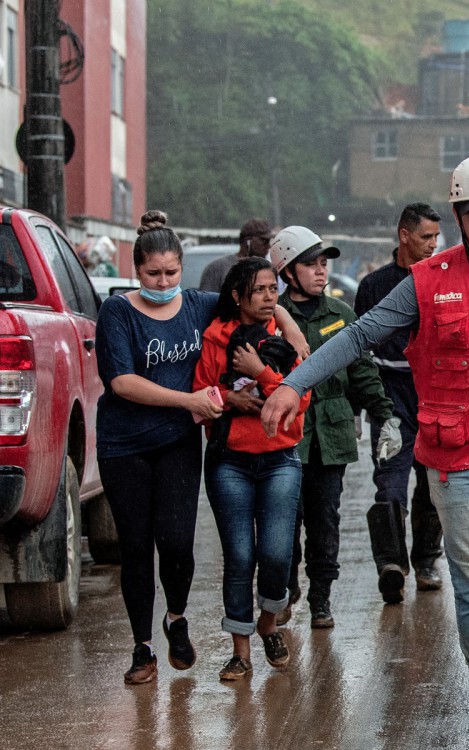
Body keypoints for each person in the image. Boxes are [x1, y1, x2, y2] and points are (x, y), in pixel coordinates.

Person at [260, 154, 469, 750]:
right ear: (459, 216)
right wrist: (294, 382)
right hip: (457, 456)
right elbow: (360, 334)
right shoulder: (428, 280)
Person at [94, 210, 304, 685]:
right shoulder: (118, 311)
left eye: (171, 272)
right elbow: (122, 381)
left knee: (176, 544)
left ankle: (176, 617)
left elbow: (252, 295)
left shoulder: (195, 304)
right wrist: (189, 400)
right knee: (135, 548)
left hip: (177, 444)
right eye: (153, 274)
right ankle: (142, 648)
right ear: (137, 269)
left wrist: (290, 328)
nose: (163, 281)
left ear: (181, 268)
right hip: (124, 445)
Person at [272, 226, 398, 629]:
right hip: (286, 438)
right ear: (287, 271)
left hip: (331, 435)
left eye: (324, 264)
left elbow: (362, 372)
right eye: (311, 265)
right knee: (286, 522)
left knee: (325, 519)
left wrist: (385, 413)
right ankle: (286, 585)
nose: (321, 272)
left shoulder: (342, 316)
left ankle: (321, 599)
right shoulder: (272, 319)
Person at [194, 256, 309, 680]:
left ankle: (268, 623)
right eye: (258, 290)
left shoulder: (287, 340)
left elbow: (301, 402)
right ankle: (240, 651)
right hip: (229, 462)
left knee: (277, 554)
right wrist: (231, 400)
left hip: (280, 459)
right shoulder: (215, 337)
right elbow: (201, 397)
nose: (267, 297)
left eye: (272, 290)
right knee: (239, 555)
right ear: (238, 296)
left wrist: (260, 373)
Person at [356, 203, 446, 602]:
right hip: (391, 398)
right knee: (390, 480)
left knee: (433, 481)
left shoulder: (442, 279)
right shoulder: (374, 285)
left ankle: (427, 559)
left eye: (436, 239)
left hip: (435, 395)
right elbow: (357, 349)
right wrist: (364, 404)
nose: (432, 245)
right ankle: (390, 565)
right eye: (426, 237)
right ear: (404, 235)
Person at [198, 218, 274, 292]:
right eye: (264, 241)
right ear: (248, 241)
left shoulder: (267, 270)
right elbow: (206, 302)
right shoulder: (217, 269)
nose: (268, 246)